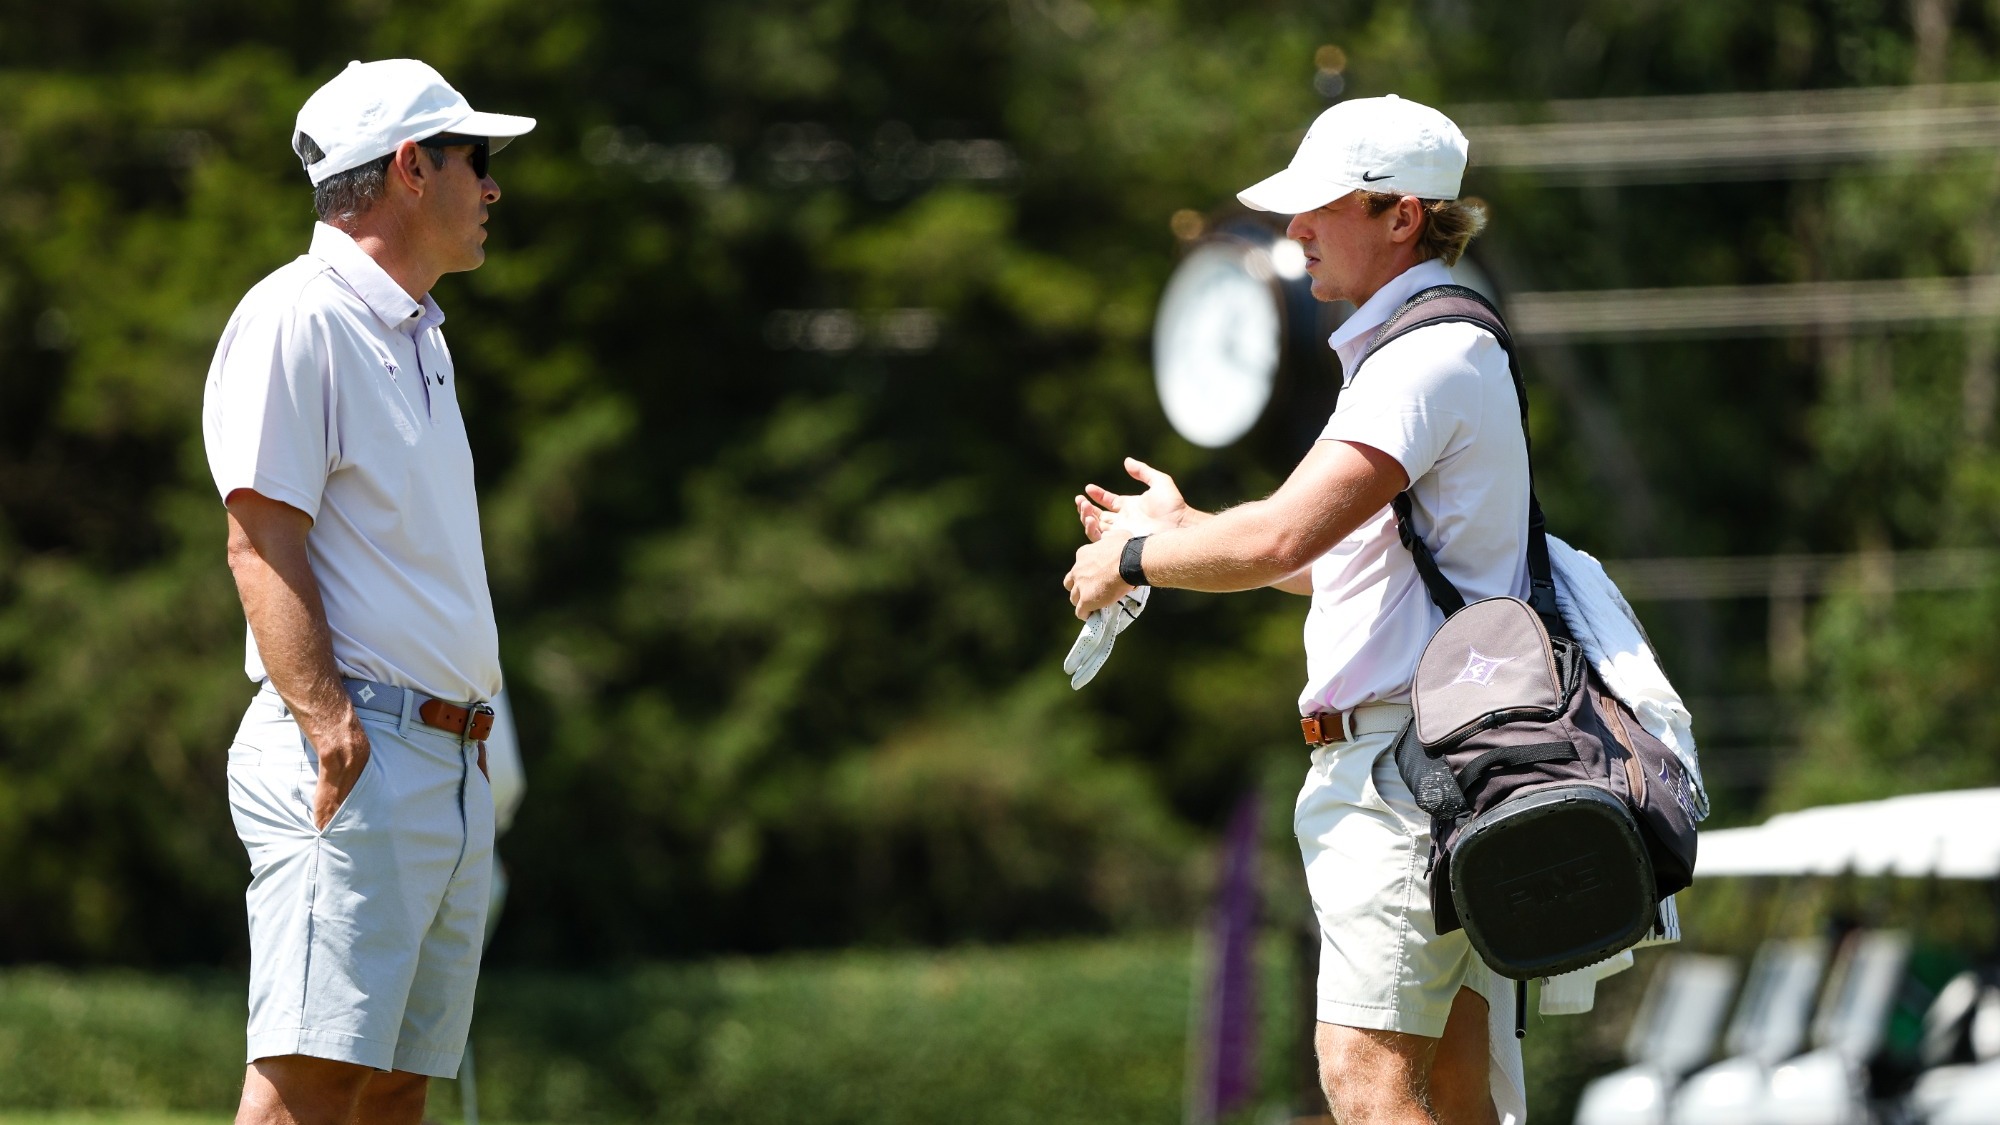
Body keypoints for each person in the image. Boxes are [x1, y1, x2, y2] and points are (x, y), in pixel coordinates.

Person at [1065, 95, 1526, 1125]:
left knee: (1363, 1086)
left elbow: (1278, 541)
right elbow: (1336, 568)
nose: (1294, 229)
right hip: (1442, 764)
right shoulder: (1426, 348)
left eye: (1320, 206)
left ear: (1400, 216)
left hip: (1405, 775)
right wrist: (1185, 525)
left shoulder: (1419, 361)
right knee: (1450, 1097)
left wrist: (1134, 559)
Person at [201, 58, 533, 1125]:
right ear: (406, 168)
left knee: (392, 1088)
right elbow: (258, 539)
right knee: (310, 1081)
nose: (490, 188)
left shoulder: (420, 339)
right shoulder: (296, 316)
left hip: (444, 762)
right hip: (357, 757)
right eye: (473, 161)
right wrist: (332, 727)